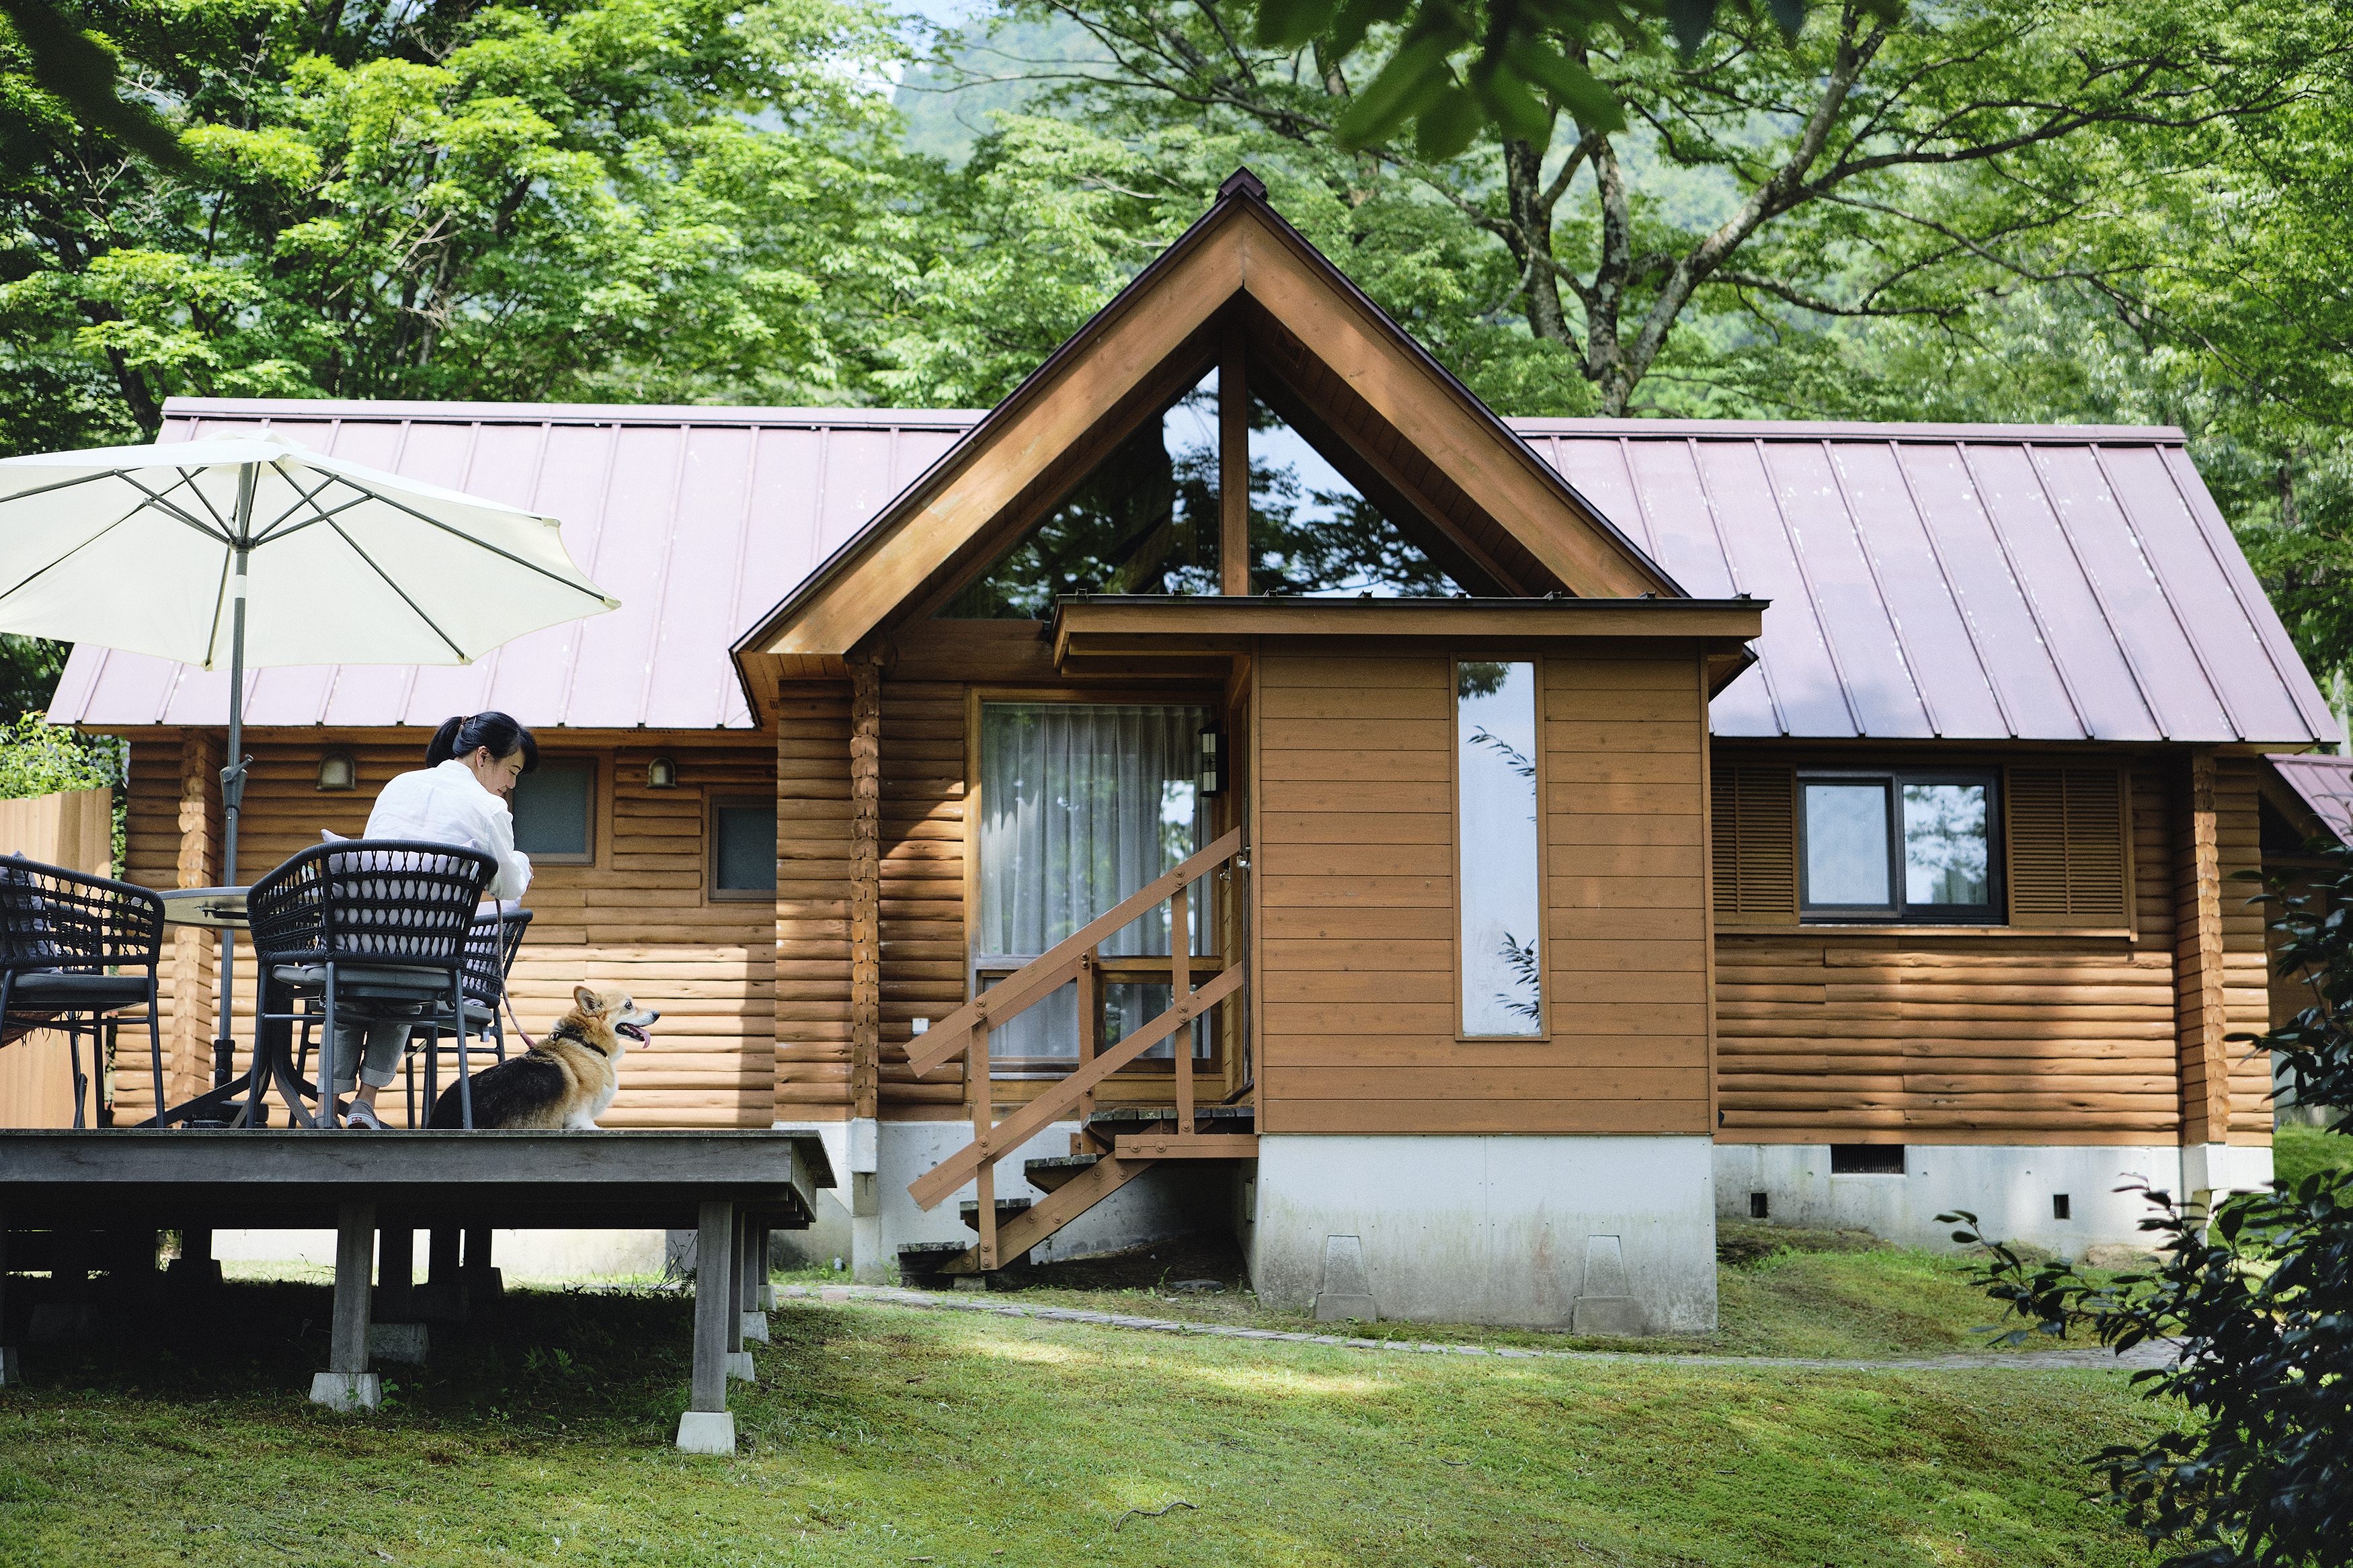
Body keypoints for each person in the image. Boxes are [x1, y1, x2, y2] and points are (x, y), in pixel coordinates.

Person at [329, 712, 536, 1130]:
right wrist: (522, 862)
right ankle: (364, 1103)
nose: (512, 784)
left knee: (355, 995)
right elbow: (509, 885)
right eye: (512, 770)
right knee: (409, 981)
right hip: (425, 959)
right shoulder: (488, 806)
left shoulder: (398, 785)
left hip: (356, 944)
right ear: (483, 756)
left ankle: (325, 1101)